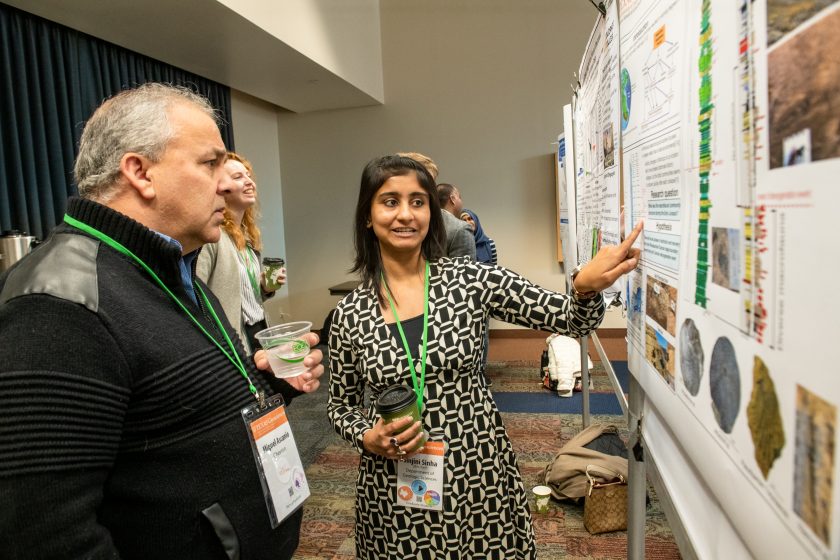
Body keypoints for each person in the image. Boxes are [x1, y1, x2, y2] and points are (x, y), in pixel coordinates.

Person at [0, 83, 323, 559]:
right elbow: (43, 533)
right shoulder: (59, 304)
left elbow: (166, 407)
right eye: (210, 163)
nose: (227, 182)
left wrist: (267, 382)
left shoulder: (169, 265)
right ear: (140, 172)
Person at [327, 155, 642, 559]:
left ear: (432, 214)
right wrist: (367, 437)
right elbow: (341, 406)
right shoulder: (349, 315)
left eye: (418, 201)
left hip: (479, 468)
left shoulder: (471, 281)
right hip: (395, 482)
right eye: (389, 201)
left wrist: (584, 287)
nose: (405, 214)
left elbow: (570, 319)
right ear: (367, 216)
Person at [197, 151, 285, 353]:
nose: (249, 182)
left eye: (248, 176)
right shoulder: (212, 238)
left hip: (258, 333)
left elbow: (241, 299)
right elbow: (197, 299)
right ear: (220, 188)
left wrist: (264, 288)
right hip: (231, 343)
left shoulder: (245, 238)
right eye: (238, 177)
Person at [436, 182, 476, 260]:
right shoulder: (462, 228)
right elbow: (465, 270)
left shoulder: (426, 223)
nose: (461, 202)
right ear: (452, 199)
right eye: (459, 197)